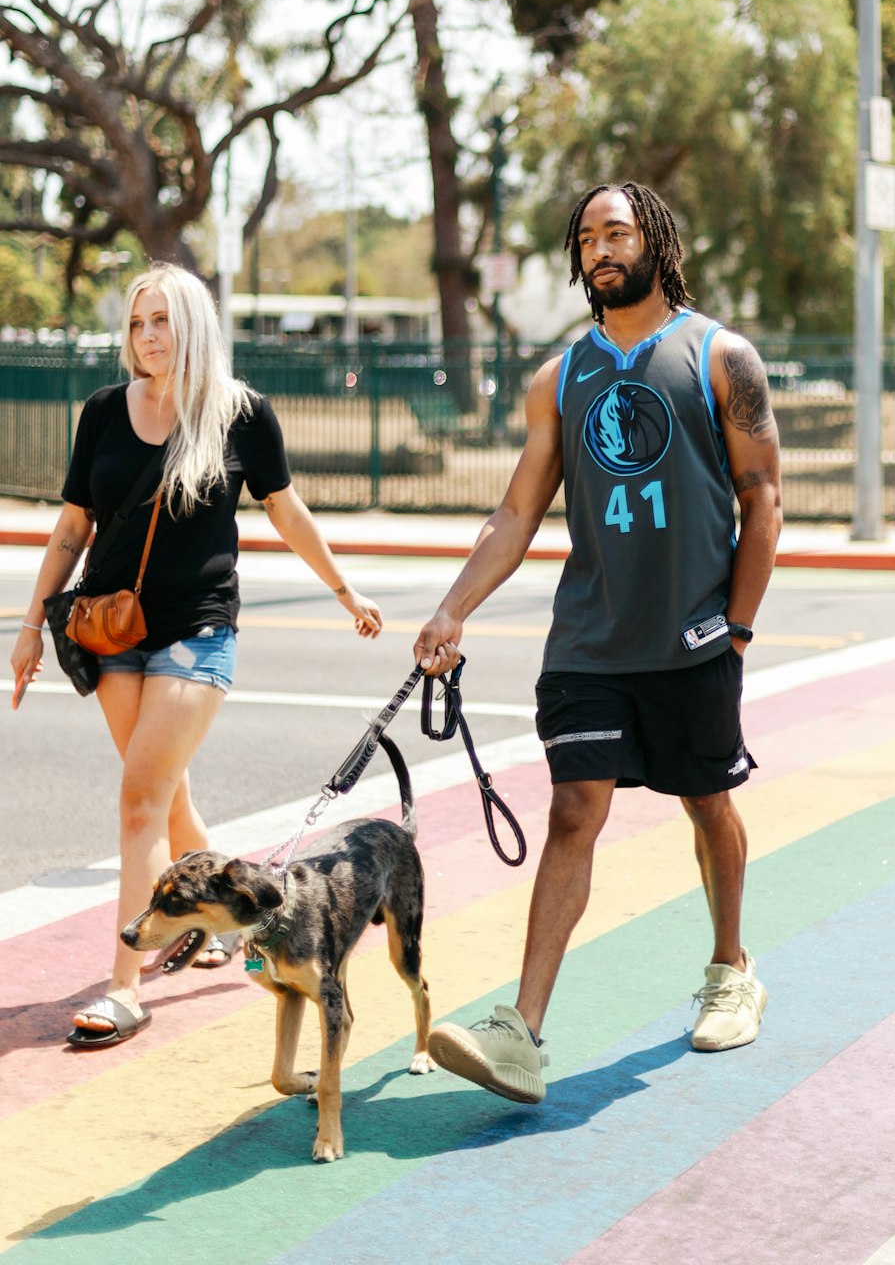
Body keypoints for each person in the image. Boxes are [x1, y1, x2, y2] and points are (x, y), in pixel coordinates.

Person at [413, 182, 782, 1104]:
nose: (601, 248)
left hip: (693, 636)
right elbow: (516, 510)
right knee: (575, 810)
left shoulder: (719, 356)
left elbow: (763, 497)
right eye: (586, 237)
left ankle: (732, 966)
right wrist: (453, 607)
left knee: (706, 802)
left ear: (656, 239)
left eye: (617, 231)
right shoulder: (560, 376)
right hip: (589, 640)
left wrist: (734, 629)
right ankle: (521, 1032)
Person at [10, 263, 383, 1049]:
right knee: (166, 794)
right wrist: (30, 625)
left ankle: (123, 987)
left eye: (164, 321)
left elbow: (286, 508)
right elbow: (72, 526)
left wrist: (345, 590)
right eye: (139, 322)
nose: (148, 337)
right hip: (111, 631)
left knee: (140, 798)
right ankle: (241, 916)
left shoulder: (241, 414)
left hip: (198, 629)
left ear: (195, 327)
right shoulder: (104, 411)